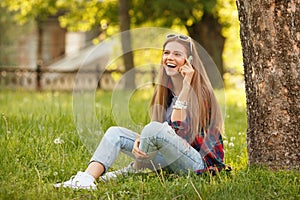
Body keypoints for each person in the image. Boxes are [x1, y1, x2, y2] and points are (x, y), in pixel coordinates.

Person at [54, 33, 227, 190]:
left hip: (199, 164)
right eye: (166, 53)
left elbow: (178, 132)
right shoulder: (164, 91)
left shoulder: (201, 92)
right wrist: (141, 141)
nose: (169, 57)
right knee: (116, 133)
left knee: (152, 129)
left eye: (177, 54)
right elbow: (162, 134)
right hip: (170, 157)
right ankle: (86, 179)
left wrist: (187, 85)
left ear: (189, 60)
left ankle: (134, 170)